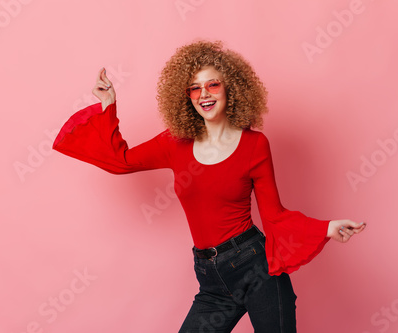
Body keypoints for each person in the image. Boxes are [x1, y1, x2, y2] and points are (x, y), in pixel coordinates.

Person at [52, 40, 366, 332]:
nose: (204, 94)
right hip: (211, 280)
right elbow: (122, 161)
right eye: (194, 88)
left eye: (213, 84)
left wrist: (325, 228)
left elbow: (274, 216)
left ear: (231, 88)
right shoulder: (174, 143)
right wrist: (109, 104)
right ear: (185, 95)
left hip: (256, 268)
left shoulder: (254, 145)